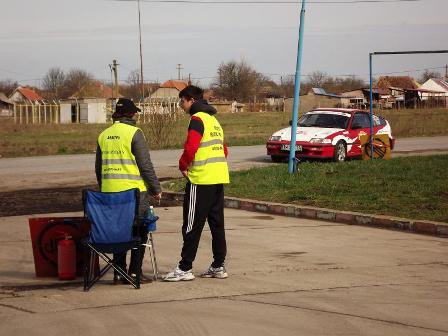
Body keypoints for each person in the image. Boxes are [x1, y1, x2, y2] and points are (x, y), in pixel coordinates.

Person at [164, 85, 230, 282]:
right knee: (217, 224)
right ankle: (218, 265)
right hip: (218, 178)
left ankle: (184, 268)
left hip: (201, 179)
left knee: (191, 224)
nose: (180, 105)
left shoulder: (197, 119)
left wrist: (183, 164)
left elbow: (191, 147)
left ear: (191, 100)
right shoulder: (214, 121)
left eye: (181, 101)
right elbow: (223, 150)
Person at [95, 98, 162, 284]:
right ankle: (134, 272)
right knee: (140, 230)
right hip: (134, 194)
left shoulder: (104, 135)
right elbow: (145, 165)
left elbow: (98, 168)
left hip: (110, 194)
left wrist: (105, 188)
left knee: (118, 230)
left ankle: (118, 272)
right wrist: (155, 189)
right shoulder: (135, 133)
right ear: (132, 114)